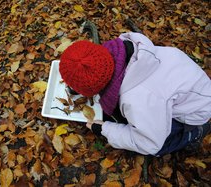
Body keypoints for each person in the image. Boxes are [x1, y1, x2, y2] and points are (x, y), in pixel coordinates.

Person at [59, 32, 211, 156]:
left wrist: (105, 129)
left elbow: (149, 143)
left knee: (160, 146)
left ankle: (194, 133)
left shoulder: (136, 100)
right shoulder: (126, 48)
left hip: (197, 109)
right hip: (191, 84)